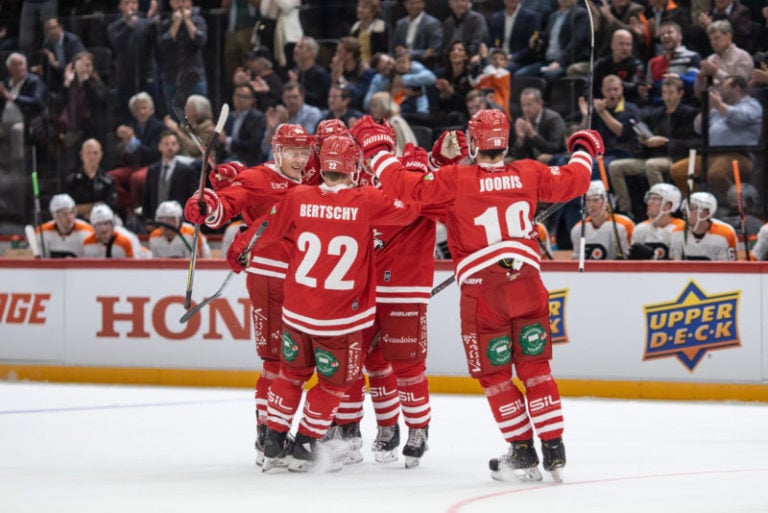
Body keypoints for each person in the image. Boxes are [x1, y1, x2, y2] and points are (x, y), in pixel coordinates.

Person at [362, 108, 603, 482]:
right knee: (536, 369)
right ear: (505, 141)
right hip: (527, 283)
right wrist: (584, 146)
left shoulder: (456, 179)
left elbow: (402, 186)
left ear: (474, 143)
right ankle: (554, 446)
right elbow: (577, 179)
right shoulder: (529, 172)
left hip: (483, 292)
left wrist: (376, 150)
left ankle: (522, 450)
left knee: (495, 375)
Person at [225, 135, 419, 473]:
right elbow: (411, 209)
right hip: (340, 318)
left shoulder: (298, 196)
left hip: (296, 313)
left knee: (290, 374)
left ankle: (273, 437)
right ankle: (306, 442)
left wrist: (242, 246)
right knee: (335, 383)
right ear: (354, 167)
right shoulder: (366, 200)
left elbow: (266, 227)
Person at [182, 124, 314, 467]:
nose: (301, 159)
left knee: (299, 363)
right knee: (275, 361)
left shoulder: (312, 178)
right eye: (293, 152)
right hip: (269, 279)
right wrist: (209, 205)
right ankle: (266, 433)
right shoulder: (259, 178)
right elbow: (228, 203)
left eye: (304, 152)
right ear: (278, 152)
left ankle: (281, 427)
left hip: (305, 284)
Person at [608, 75, 699, 218]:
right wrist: (644, 141)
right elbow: (647, 137)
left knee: (652, 165)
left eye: (671, 93)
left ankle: (663, 209)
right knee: (615, 166)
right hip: (653, 155)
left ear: (680, 93)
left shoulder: (689, 113)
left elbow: (694, 142)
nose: (667, 97)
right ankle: (625, 210)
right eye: (664, 93)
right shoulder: (656, 113)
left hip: (675, 157)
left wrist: (667, 142)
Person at [670, 75, 762, 199]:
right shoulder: (718, 107)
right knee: (678, 171)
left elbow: (740, 118)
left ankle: (736, 205)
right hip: (712, 154)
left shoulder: (751, 104)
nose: (722, 92)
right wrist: (707, 109)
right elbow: (698, 128)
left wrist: (719, 105)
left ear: (737, 88)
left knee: (716, 175)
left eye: (725, 88)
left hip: (739, 154)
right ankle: (698, 204)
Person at [109, 92, 165, 217]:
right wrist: (126, 143)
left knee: (136, 178)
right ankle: (128, 205)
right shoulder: (132, 126)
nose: (141, 112)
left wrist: (134, 142)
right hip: (135, 165)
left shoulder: (159, 127)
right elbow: (123, 156)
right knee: (111, 177)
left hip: (152, 165)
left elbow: (155, 154)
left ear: (151, 110)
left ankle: (137, 211)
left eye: (144, 108)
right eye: (137, 109)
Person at [108, 0, 160, 123]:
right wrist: (130, 25)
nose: (132, 6)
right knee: (128, 116)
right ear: (120, 6)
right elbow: (117, 43)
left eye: (134, 3)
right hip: (125, 77)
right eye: (127, 3)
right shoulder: (114, 27)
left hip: (146, 75)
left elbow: (157, 44)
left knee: (151, 114)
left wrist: (153, 22)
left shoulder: (146, 24)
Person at [514, 0, 590, 83]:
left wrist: (559, 62)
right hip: (547, 61)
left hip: (566, 62)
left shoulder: (581, 14)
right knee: (520, 75)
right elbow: (547, 42)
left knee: (549, 75)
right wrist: (537, 43)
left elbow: (577, 42)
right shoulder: (553, 16)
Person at [158, 0, 208, 117]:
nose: (180, 5)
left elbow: (200, 41)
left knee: (199, 114)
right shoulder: (165, 23)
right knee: (175, 116)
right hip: (172, 77)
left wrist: (187, 20)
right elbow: (163, 45)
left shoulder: (198, 20)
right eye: (177, 1)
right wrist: (175, 23)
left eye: (184, 1)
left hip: (194, 78)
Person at [637, 21, 701, 106]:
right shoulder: (653, 62)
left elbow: (694, 82)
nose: (665, 36)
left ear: (680, 36)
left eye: (669, 32)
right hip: (658, 107)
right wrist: (645, 90)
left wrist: (678, 77)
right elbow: (651, 89)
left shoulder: (692, 56)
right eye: (662, 34)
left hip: (684, 104)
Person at [141, 130, 198, 223]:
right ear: (160, 146)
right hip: (157, 221)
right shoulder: (153, 170)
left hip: (179, 221)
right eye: (166, 144)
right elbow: (147, 196)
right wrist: (147, 219)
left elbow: (193, 198)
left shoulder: (187, 171)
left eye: (173, 144)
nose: (170, 147)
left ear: (178, 146)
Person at [570, 180, 634, 260]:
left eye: (595, 200)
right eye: (588, 200)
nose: (591, 204)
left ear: (606, 202)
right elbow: (577, 260)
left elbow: (630, 258)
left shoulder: (625, 224)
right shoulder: (578, 229)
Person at [670, 191, 737, 260]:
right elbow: (675, 267)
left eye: (690, 209)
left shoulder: (725, 233)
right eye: (685, 209)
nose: (686, 213)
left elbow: (728, 268)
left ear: (706, 212)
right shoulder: (677, 232)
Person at [693, 20, 753, 97]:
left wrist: (717, 72)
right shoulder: (710, 59)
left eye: (717, 38)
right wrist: (700, 78)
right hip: (710, 104)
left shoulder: (743, 57)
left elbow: (739, 89)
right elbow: (698, 95)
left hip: (735, 105)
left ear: (728, 36)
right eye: (711, 39)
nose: (713, 42)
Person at [64, 138, 118, 220]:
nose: (92, 156)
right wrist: (97, 205)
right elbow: (68, 209)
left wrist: (82, 209)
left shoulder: (109, 181)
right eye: (88, 153)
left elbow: (110, 208)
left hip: (102, 223)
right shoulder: (71, 180)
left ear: (101, 155)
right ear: (82, 155)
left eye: (95, 153)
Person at [628, 183, 685, 260]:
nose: (649, 202)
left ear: (668, 205)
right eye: (649, 198)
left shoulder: (680, 229)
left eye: (655, 199)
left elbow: (679, 265)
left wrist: (653, 257)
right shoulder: (640, 229)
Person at [512, 87, 566, 163]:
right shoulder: (523, 121)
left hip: (556, 158)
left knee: (542, 158)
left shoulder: (554, 119)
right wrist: (520, 139)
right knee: (509, 161)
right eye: (523, 105)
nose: (526, 109)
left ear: (540, 103)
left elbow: (554, 149)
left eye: (529, 105)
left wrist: (533, 135)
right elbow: (517, 156)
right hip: (532, 161)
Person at [591, 29, 645, 103]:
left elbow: (635, 86)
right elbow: (590, 83)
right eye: (621, 44)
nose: (625, 48)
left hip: (627, 104)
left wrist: (614, 83)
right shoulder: (602, 63)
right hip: (602, 102)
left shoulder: (637, 65)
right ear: (612, 45)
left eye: (628, 44)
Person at [488, 0, 541, 74]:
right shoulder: (496, 17)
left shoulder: (531, 17)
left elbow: (532, 47)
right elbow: (491, 42)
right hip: (498, 57)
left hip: (519, 60)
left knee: (500, 70)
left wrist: (513, 57)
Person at [36, 193, 96, 258]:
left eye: (71, 212)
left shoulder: (87, 231)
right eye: (64, 214)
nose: (69, 217)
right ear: (54, 216)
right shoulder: (42, 232)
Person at [220, 83, 266, 166]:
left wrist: (227, 141)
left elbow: (253, 145)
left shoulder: (257, 118)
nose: (241, 99)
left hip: (248, 159)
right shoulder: (229, 116)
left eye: (245, 97)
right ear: (233, 97)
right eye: (238, 96)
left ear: (252, 100)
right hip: (228, 157)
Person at [39, 17, 86, 95]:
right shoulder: (47, 44)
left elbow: (80, 63)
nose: (50, 32)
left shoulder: (72, 41)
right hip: (58, 77)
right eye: (47, 30)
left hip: (74, 75)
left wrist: (56, 64)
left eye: (52, 28)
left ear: (60, 28)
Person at [392, 0, 444, 68]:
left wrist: (408, 53)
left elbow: (435, 51)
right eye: (410, 3)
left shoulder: (433, 23)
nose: (414, 6)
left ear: (423, 4)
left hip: (423, 65)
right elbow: (393, 47)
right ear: (405, 4)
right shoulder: (400, 24)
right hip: (400, 64)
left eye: (417, 2)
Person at [329, 37, 376, 112]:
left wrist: (340, 78)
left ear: (349, 55)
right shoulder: (340, 69)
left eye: (339, 52)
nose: (336, 55)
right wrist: (334, 75)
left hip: (358, 111)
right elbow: (330, 94)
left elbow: (358, 97)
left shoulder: (366, 72)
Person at [470, 46, 512, 121]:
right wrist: (475, 67)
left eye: (501, 59)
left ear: (506, 63)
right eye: (494, 58)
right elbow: (474, 85)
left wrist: (484, 59)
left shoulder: (505, 74)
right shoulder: (486, 75)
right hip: (484, 108)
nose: (497, 61)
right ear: (491, 61)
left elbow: (494, 77)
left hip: (500, 109)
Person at [288, 36, 331, 109]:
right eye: (296, 47)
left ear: (310, 52)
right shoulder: (294, 70)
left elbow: (318, 99)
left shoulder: (320, 74)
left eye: (300, 47)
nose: (295, 50)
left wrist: (296, 85)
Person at [350, 0, 390, 65]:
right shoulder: (355, 28)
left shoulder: (383, 28)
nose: (359, 10)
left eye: (364, 7)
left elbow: (384, 52)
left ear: (373, 11)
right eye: (359, 6)